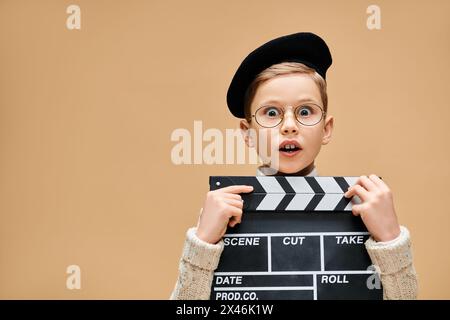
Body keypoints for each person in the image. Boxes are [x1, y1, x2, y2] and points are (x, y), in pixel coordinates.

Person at [170, 32, 418, 300]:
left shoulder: (366, 207)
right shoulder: (222, 210)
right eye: (271, 113)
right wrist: (202, 243)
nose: (289, 125)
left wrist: (392, 241)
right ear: (247, 133)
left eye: (305, 111)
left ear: (326, 128)